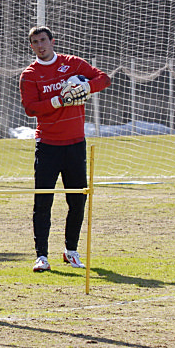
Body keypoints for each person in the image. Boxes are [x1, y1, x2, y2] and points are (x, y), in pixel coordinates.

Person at [19, 26, 111, 273]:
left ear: (52, 41)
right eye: (35, 42)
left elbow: (103, 79)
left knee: (77, 200)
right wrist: (59, 100)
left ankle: (71, 251)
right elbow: (30, 108)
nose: (40, 45)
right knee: (43, 202)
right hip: (47, 145)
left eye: (44, 40)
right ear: (32, 46)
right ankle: (41, 256)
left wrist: (86, 88)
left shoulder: (73, 64)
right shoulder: (30, 75)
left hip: (74, 145)